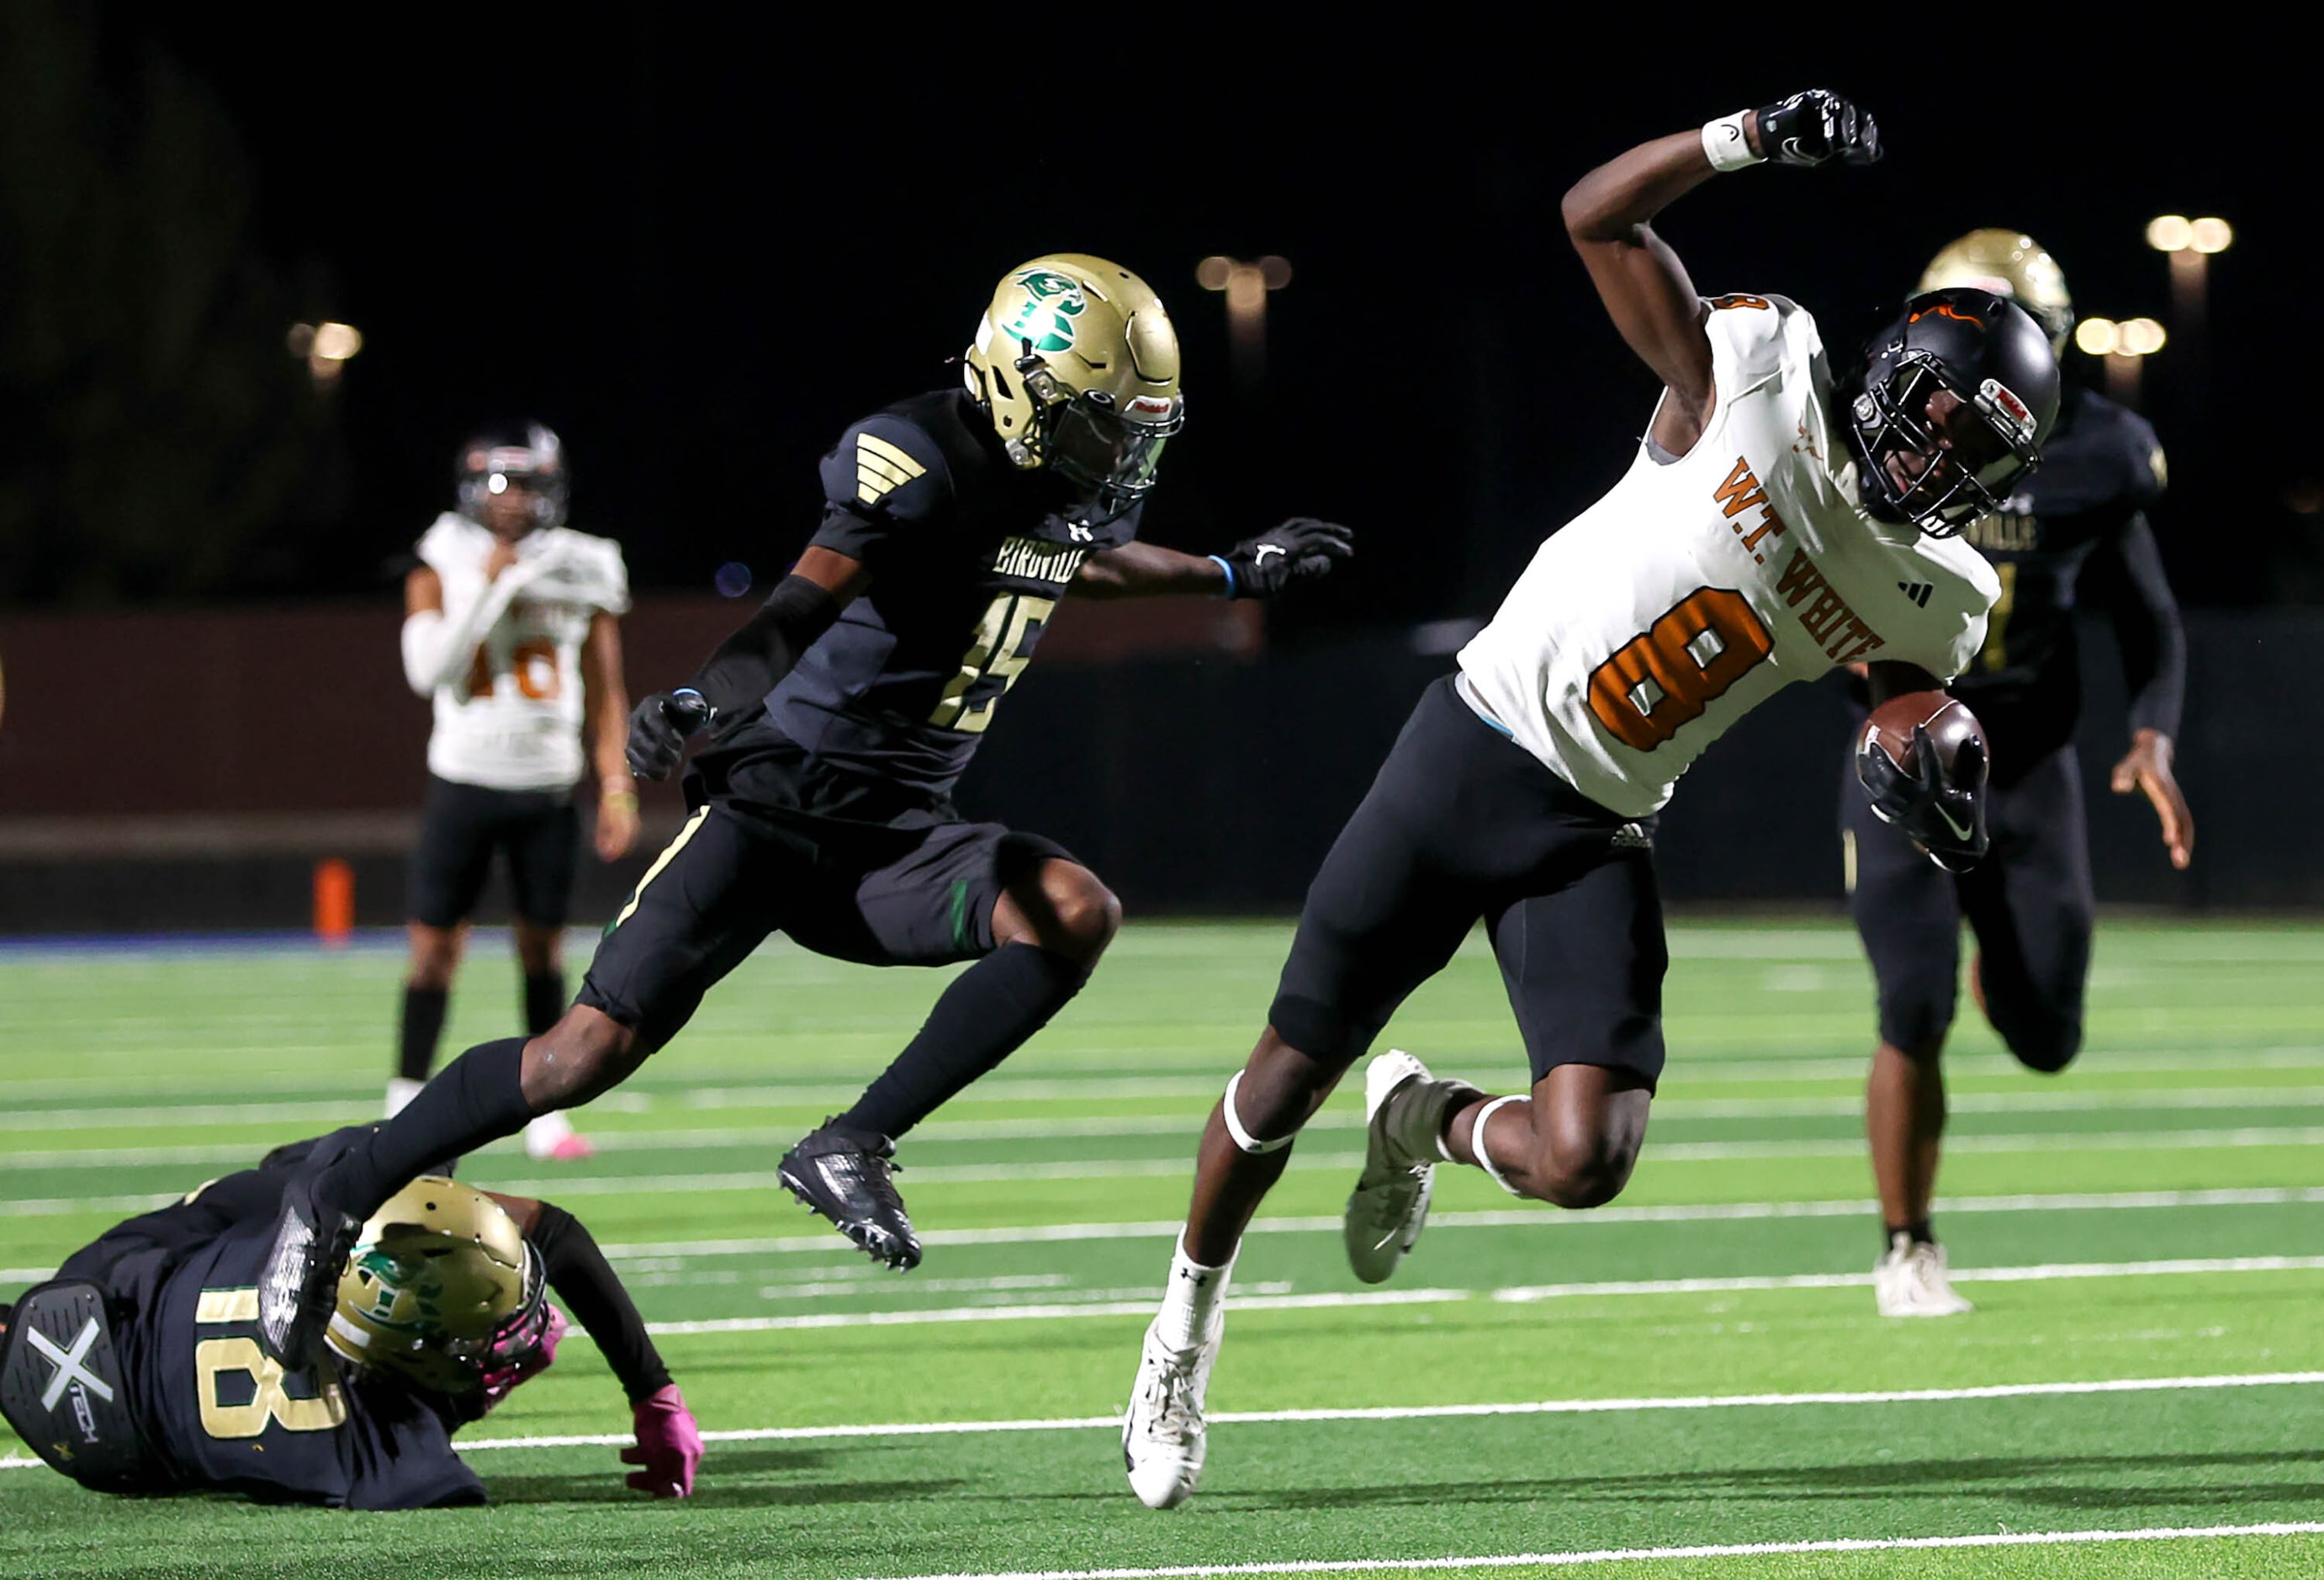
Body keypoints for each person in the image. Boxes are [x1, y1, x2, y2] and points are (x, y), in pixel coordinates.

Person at [1119, 91, 2063, 1510]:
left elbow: (1886, 692)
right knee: (1274, 1084)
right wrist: (1742, 140)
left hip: (1598, 820)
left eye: (1964, 456)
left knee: (1585, 1158)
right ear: (1890, 368)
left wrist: (1932, 768)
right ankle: (1178, 1335)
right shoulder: (1754, 371)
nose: (1929, 462)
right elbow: (1591, 214)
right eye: (1929, 420)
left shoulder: (1941, 591)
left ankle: (1422, 1120)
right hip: (1470, 749)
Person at [251, 254, 1353, 1368]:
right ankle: (335, 1190)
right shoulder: (917, 458)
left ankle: (852, 1140)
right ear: (1020, 390)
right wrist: (696, 698)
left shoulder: (1041, 498)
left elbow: (1072, 561)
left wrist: (1227, 571)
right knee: (578, 1054)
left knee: (1070, 910)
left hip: (897, 833)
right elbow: (793, 611)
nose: (1117, 453)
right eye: (1099, 424)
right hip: (778, 809)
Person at [1846, 231, 2191, 1317]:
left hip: (2030, 762)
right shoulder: (1875, 440)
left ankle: (2005, 961)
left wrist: (2154, 735)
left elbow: (2150, 616)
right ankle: (1907, 1246)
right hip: (1903, 753)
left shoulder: (2099, 452)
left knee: (2048, 1038)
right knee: (1911, 1003)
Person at [0, 1131, 700, 1508]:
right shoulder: (403, 1463)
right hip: (132, 1454)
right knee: (370, 1161)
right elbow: (558, 1231)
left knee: (320, 1176)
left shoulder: (388, 1445)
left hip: (111, 1306)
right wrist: (652, 1390)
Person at [394, 423, 639, 1161]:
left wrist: (617, 784)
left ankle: (545, 1111)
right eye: (499, 485)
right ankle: (402, 1103)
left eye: (527, 485)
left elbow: (606, 688)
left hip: (548, 789)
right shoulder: (439, 563)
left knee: (543, 952)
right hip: (464, 782)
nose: (512, 502)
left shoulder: (583, 565)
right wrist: (493, 582)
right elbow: (427, 671)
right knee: (434, 951)